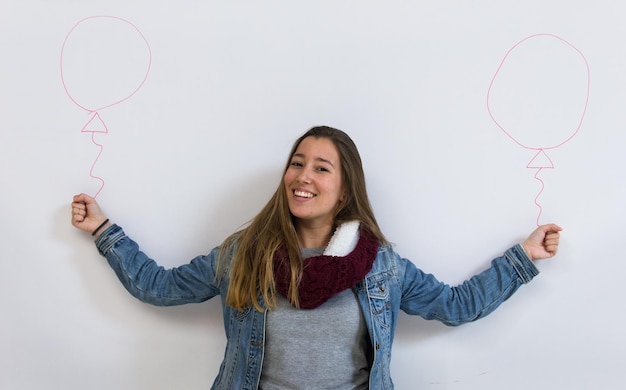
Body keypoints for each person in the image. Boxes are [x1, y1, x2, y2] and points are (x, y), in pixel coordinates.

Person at [71, 125, 562, 390]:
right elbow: (159, 286)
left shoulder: (380, 265)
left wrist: (524, 258)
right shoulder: (246, 254)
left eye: (321, 168)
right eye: (297, 162)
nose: (303, 175)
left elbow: (454, 305)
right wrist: (104, 230)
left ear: (345, 188)